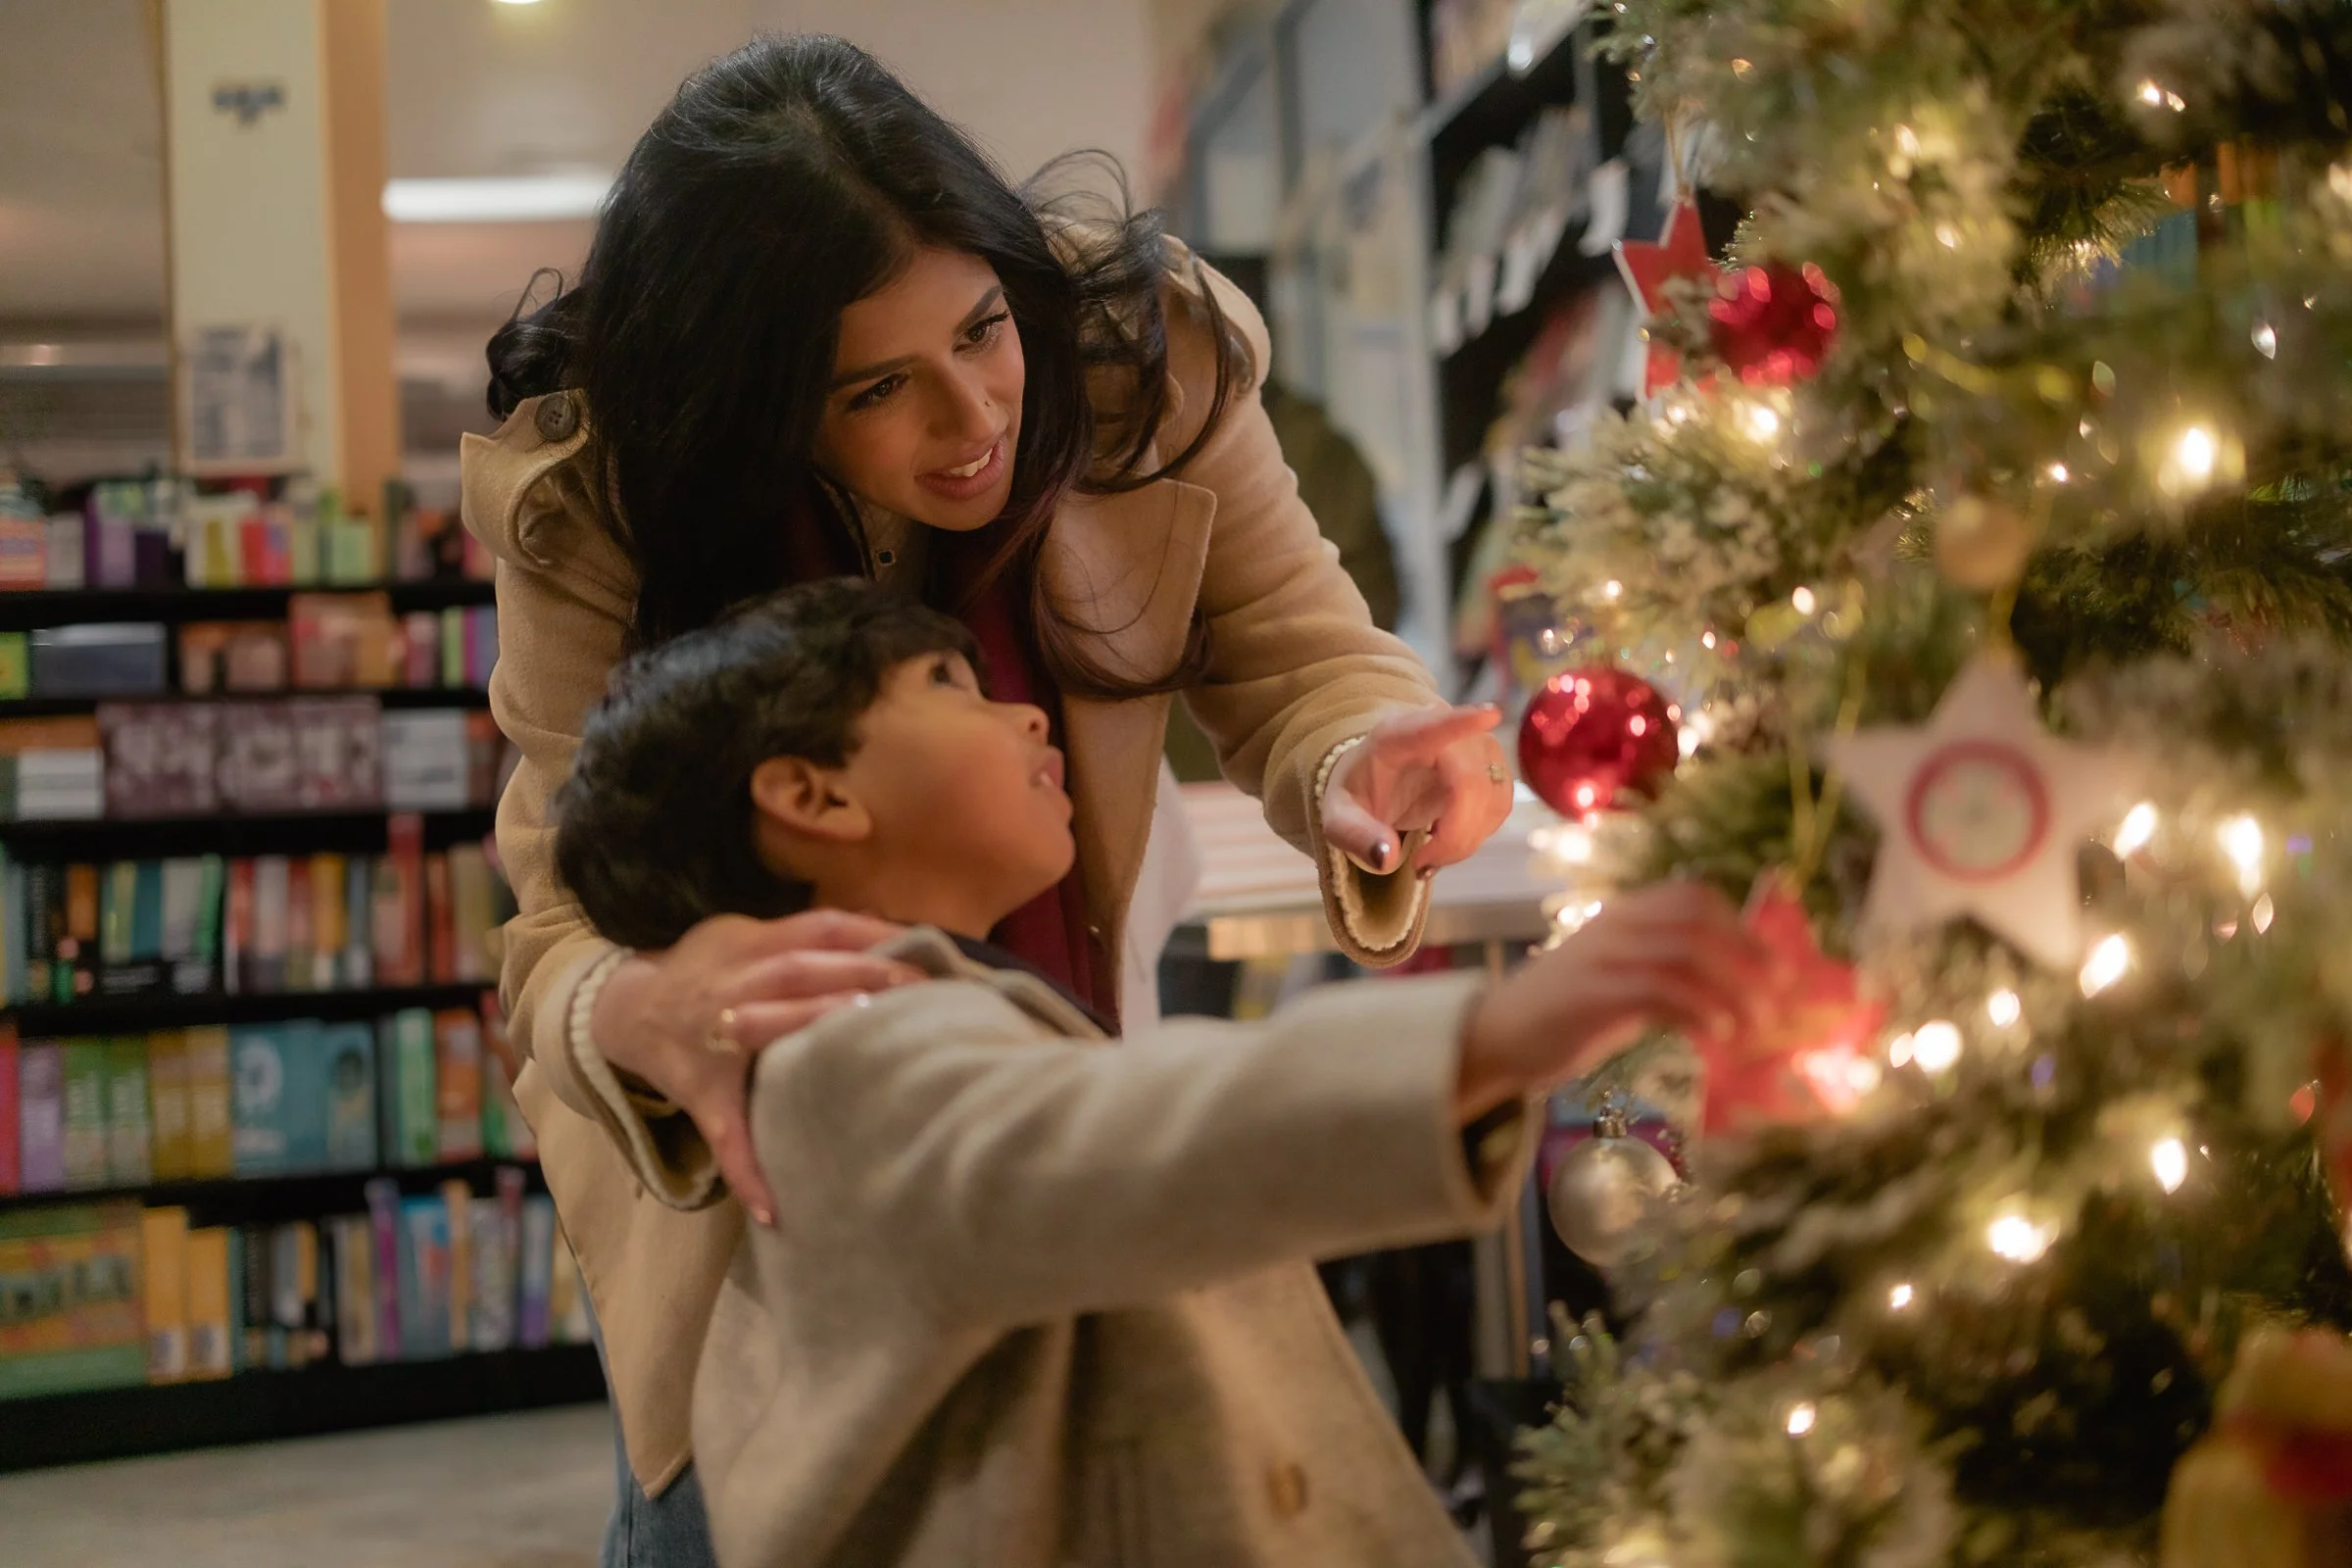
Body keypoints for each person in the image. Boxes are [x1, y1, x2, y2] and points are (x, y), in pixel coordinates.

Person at [462, 35, 1516, 1562]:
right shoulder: (603, 491)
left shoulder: (1134, 360)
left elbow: (1305, 659)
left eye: (981, 331)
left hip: (1059, 1063)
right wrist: (630, 1008)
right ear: (758, 406)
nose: (971, 421)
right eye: (879, 388)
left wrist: (1368, 760)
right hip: (761, 1190)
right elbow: (560, 911)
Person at [548, 577, 1783, 1568]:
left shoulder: (937, 1019)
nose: (1028, 716)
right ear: (812, 794)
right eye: (947, 687)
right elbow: (1095, 1141)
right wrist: (1500, 1034)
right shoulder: (843, 1056)